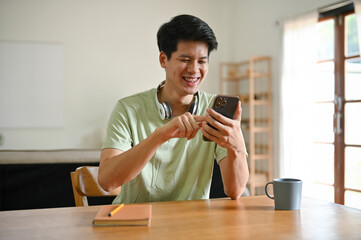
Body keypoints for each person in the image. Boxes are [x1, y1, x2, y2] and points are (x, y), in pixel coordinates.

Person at [98, 14, 249, 204]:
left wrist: (236, 145)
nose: (194, 70)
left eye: (202, 61)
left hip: (191, 224)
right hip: (136, 223)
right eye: (185, 59)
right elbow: (107, 181)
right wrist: (160, 136)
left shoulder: (214, 111)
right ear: (163, 59)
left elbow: (235, 191)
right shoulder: (127, 109)